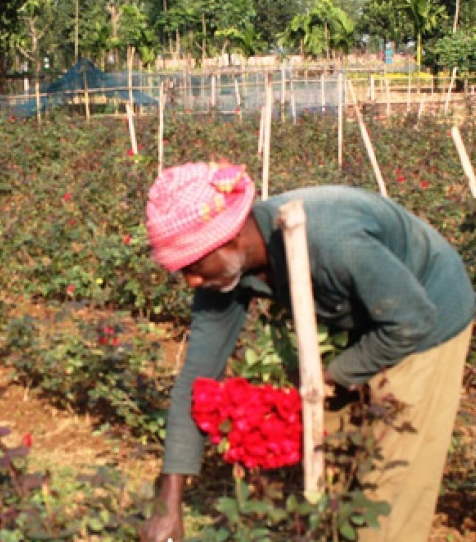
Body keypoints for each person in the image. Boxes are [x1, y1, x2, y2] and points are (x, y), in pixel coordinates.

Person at [138, 161, 475, 542]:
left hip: (428, 312)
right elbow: (196, 379)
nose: (191, 280)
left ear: (230, 239)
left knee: (394, 472)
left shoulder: (333, 241)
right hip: (369, 316)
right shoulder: (225, 275)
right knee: (336, 446)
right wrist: (168, 503)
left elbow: (413, 321)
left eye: (194, 265)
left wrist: (331, 374)